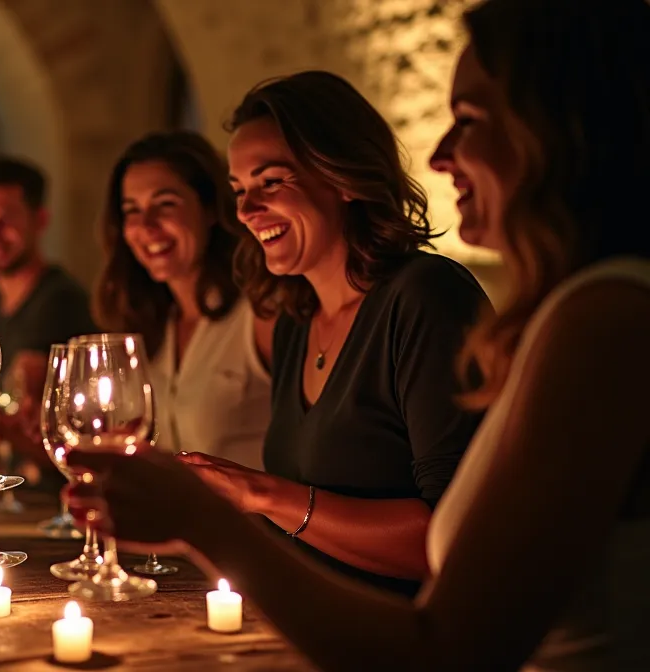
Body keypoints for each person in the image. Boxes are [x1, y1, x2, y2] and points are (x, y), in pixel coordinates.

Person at [69, 0, 650, 668]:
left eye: (469, 121)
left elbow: (451, 646)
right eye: (239, 188)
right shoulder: (296, 319)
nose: (441, 152)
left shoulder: (591, 317)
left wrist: (218, 516)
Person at [173, 71, 488, 598]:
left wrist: (261, 494)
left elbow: (457, 537)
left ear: (343, 178)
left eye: (271, 181)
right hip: (321, 624)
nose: (247, 211)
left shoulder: (427, 297)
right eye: (239, 191)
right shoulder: (298, 316)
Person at [93, 131, 273, 469]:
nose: (146, 225)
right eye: (132, 210)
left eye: (165, 205)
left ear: (210, 210)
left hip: (250, 523)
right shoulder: (146, 326)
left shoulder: (259, 314)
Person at [0, 156, 96, 474]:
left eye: (5, 220)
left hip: (59, 499)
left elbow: (31, 422)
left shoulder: (59, 302)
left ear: (40, 220)